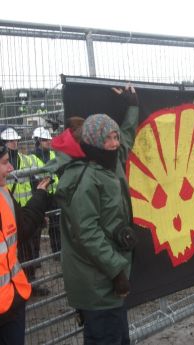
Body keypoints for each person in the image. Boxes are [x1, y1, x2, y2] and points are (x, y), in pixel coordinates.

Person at [50, 84, 138, 344]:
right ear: (94, 141)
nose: (114, 143)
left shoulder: (110, 161)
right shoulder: (86, 178)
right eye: (108, 138)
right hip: (97, 283)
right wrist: (116, 271)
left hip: (108, 281)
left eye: (114, 136)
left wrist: (132, 106)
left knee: (118, 338)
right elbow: (86, 232)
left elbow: (127, 136)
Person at [0, 141, 51, 345]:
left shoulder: (4, 196)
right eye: (4, 162)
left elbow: (22, 229)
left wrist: (39, 196)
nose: (11, 168)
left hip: (13, 303)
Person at [0, 127, 48, 295]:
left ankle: (30, 282)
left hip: (25, 213)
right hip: (13, 216)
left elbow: (38, 176)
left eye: (16, 140)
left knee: (31, 251)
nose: (15, 143)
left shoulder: (26, 160)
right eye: (10, 141)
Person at [29, 127, 61, 259]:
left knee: (56, 226)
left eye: (49, 139)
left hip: (54, 196)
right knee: (36, 228)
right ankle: (35, 258)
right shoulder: (31, 158)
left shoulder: (53, 155)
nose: (48, 141)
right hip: (40, 195)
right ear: (37, 141)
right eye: (44, 140)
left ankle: (57, 253)